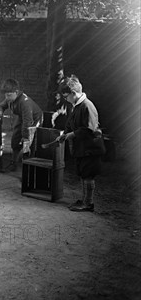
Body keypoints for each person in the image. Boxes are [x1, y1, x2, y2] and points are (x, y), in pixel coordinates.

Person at [59, 75, 105, 212]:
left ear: (73, 93)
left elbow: (89, 129)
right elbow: (72, 123)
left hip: (91, 148)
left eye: (66, 96)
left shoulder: (87, 106)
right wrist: (63, 133)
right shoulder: (77, 105)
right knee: (83, 173)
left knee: (88, 175)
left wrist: (71, 135)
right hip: (83, 148)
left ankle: (88, 203)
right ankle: (85, 200)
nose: (65, 99)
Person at [0, 78, 43, 173]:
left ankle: (27, 170)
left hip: (34, 119)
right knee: (15, 140)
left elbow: (28, 122)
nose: (7, 97)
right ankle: (13, 163)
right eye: (5, 95)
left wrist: (25, 136)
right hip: (23, 117)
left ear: (16, 92)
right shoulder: (10, 98)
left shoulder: (25, 102)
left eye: (9, 95)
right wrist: (0, 113)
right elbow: (0, 105)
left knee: (28, 144)